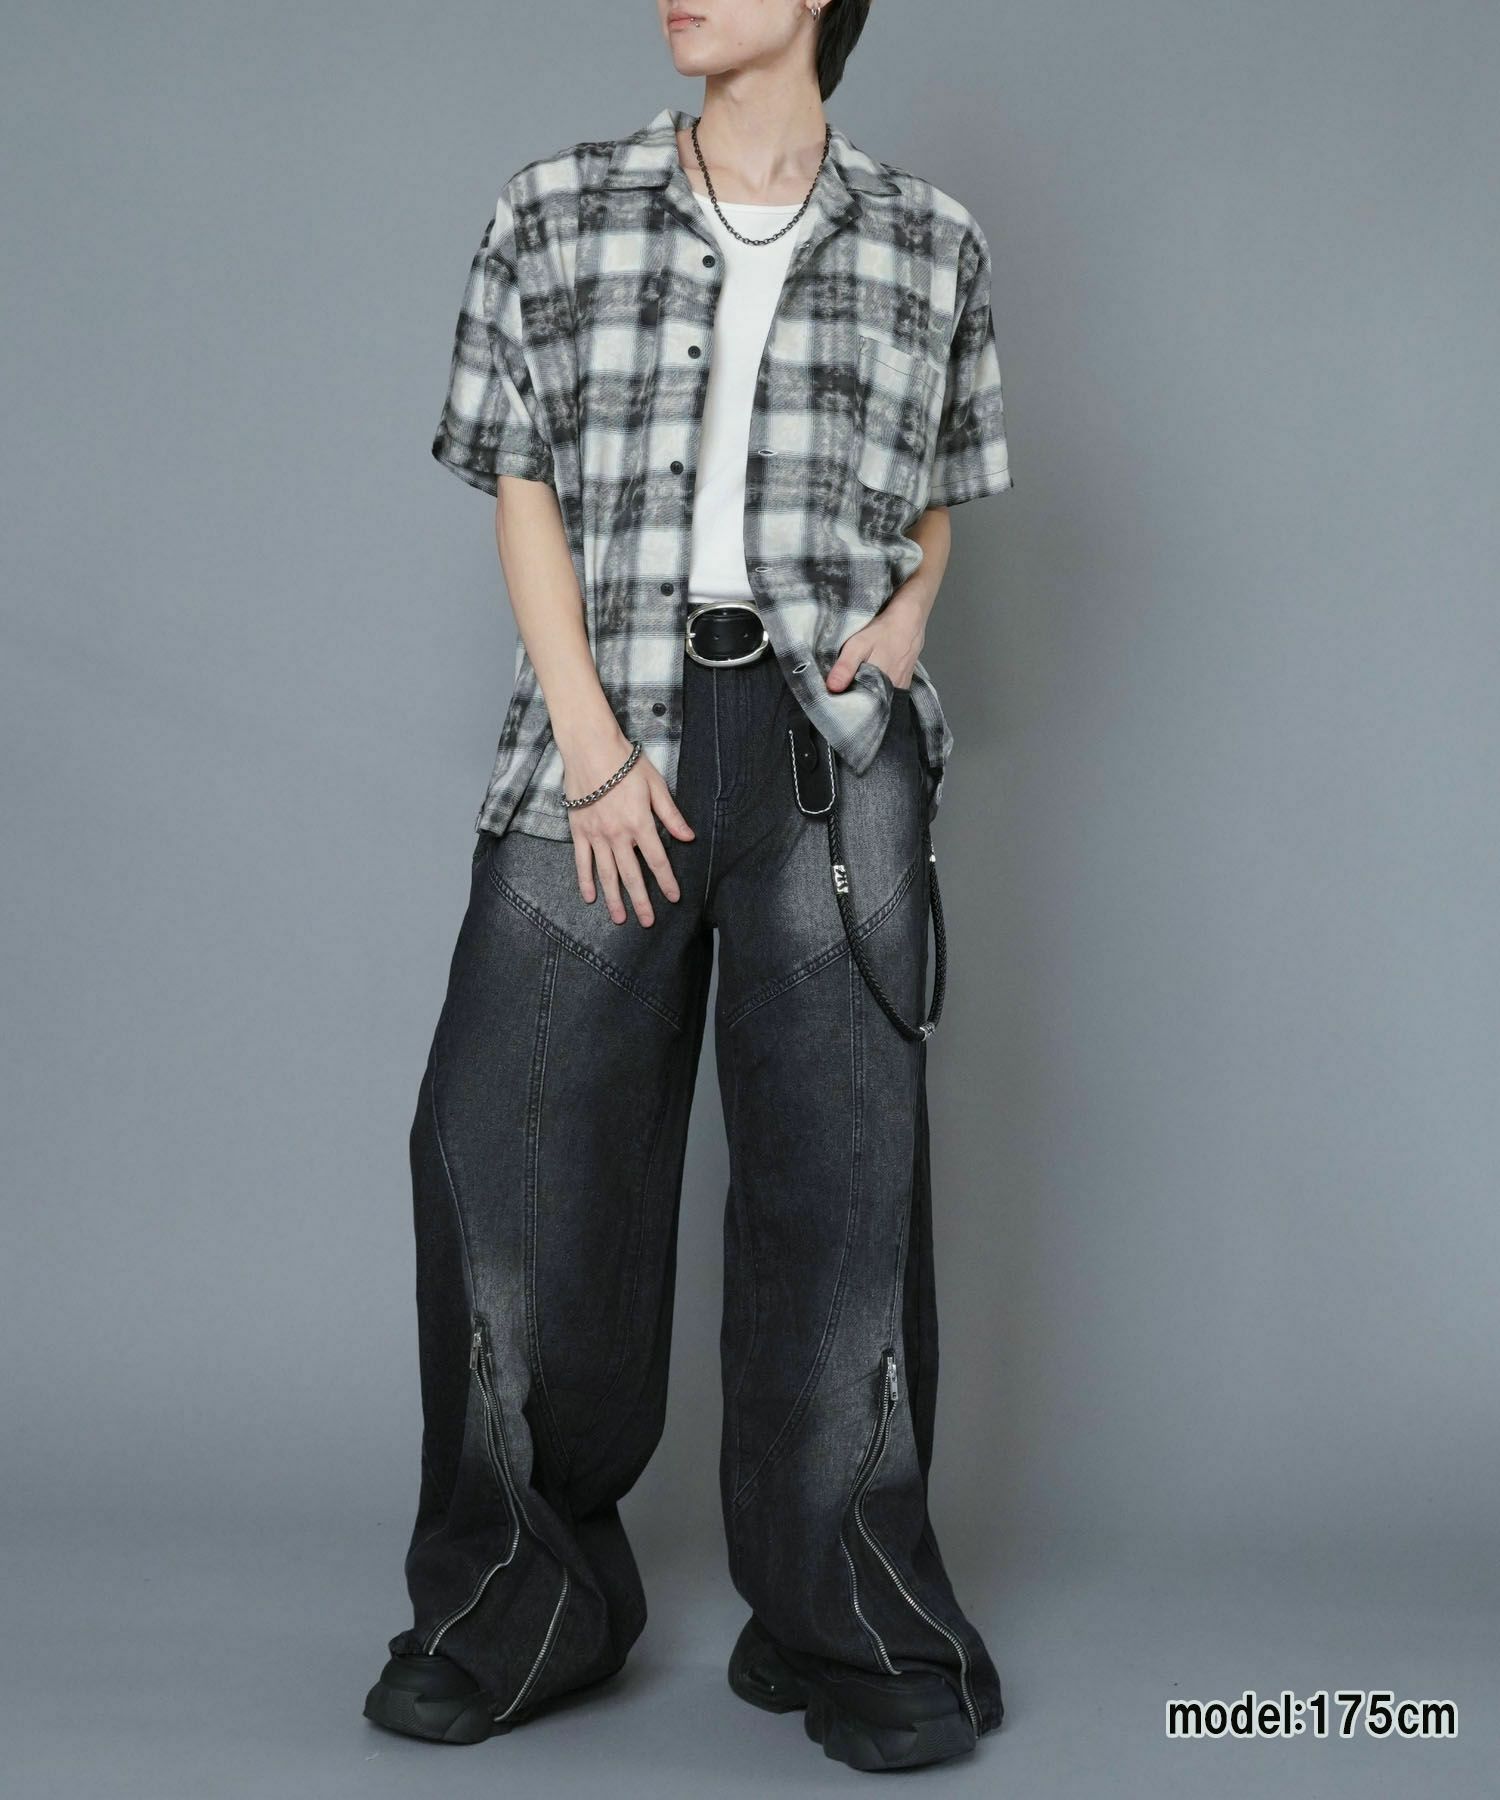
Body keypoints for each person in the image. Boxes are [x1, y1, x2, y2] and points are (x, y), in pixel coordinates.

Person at [362, 0, 1014, 1773]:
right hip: (609, 737)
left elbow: (944, 486)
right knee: (509, 1163)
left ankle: (846, 1614)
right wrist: (588, 742)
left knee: (842, 1197)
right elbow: (518, 477)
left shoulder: (930, 238)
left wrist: (909, 619)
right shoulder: (555, 207)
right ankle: (520, 1606)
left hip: (826, 755)